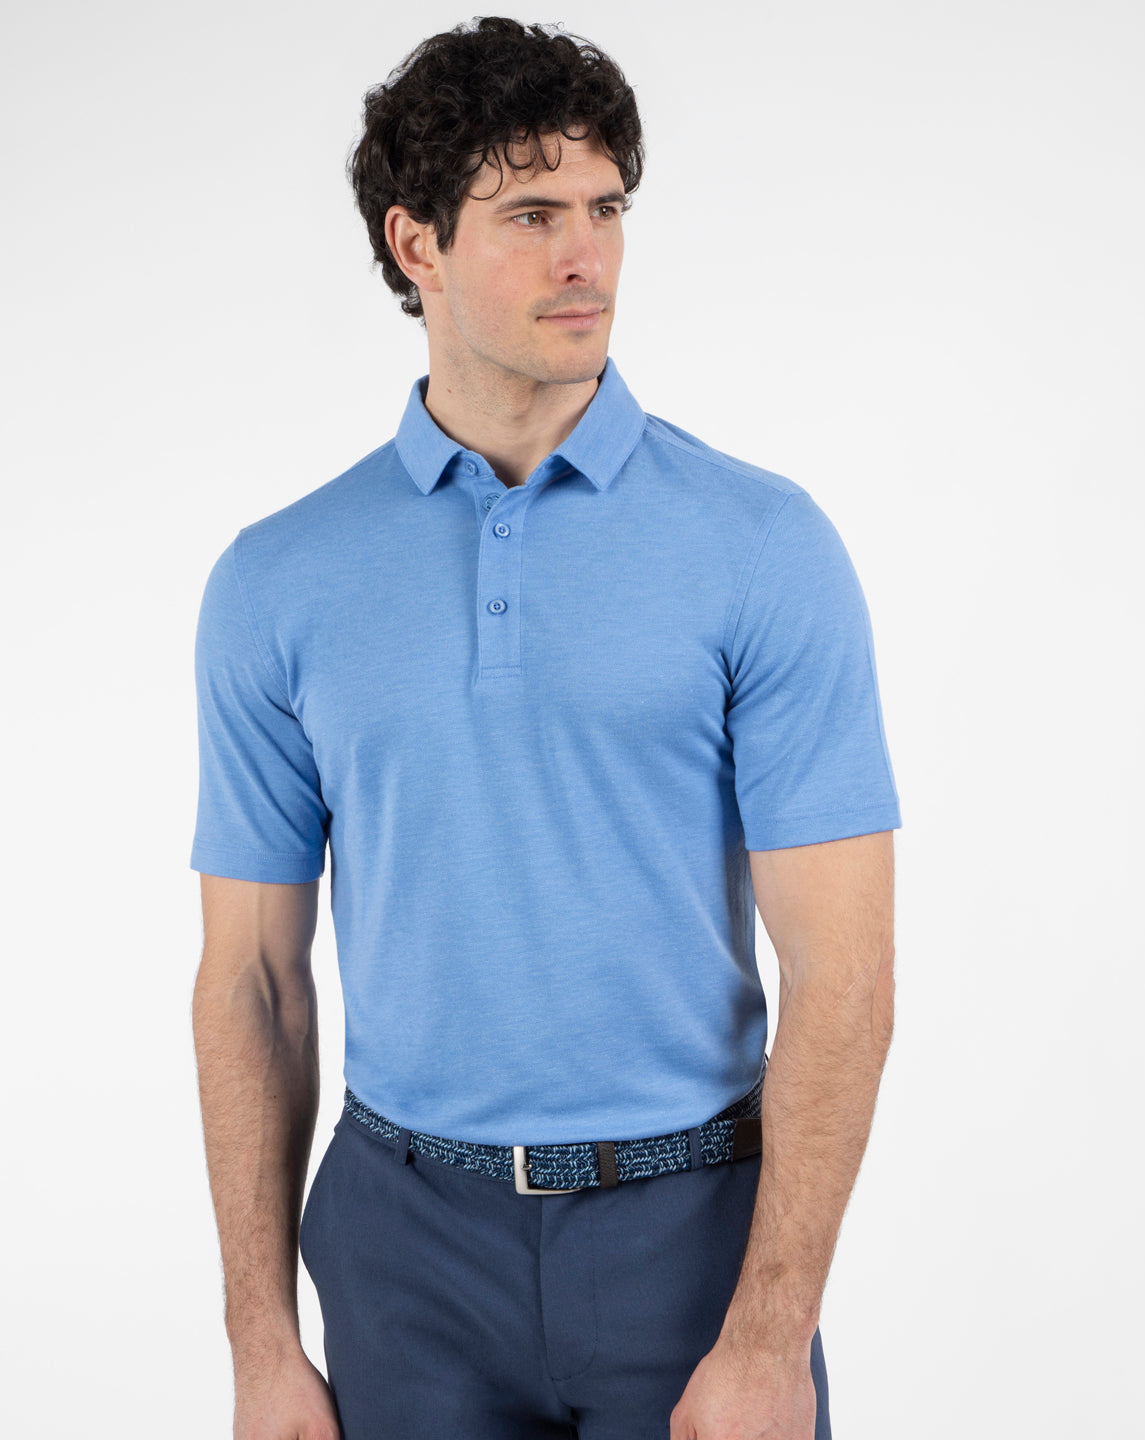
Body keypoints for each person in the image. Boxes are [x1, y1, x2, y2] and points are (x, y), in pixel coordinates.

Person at [189, 16, 901, 1440]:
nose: (588, 256)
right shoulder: (278, 579)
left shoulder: (763, 546)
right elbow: (252, 981)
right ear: (415, 244)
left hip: (690, 1236)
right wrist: (261, 1346)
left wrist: (772, 1335)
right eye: (532, 215)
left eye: (606, 209)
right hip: (403, 1253)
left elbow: (846, 973)